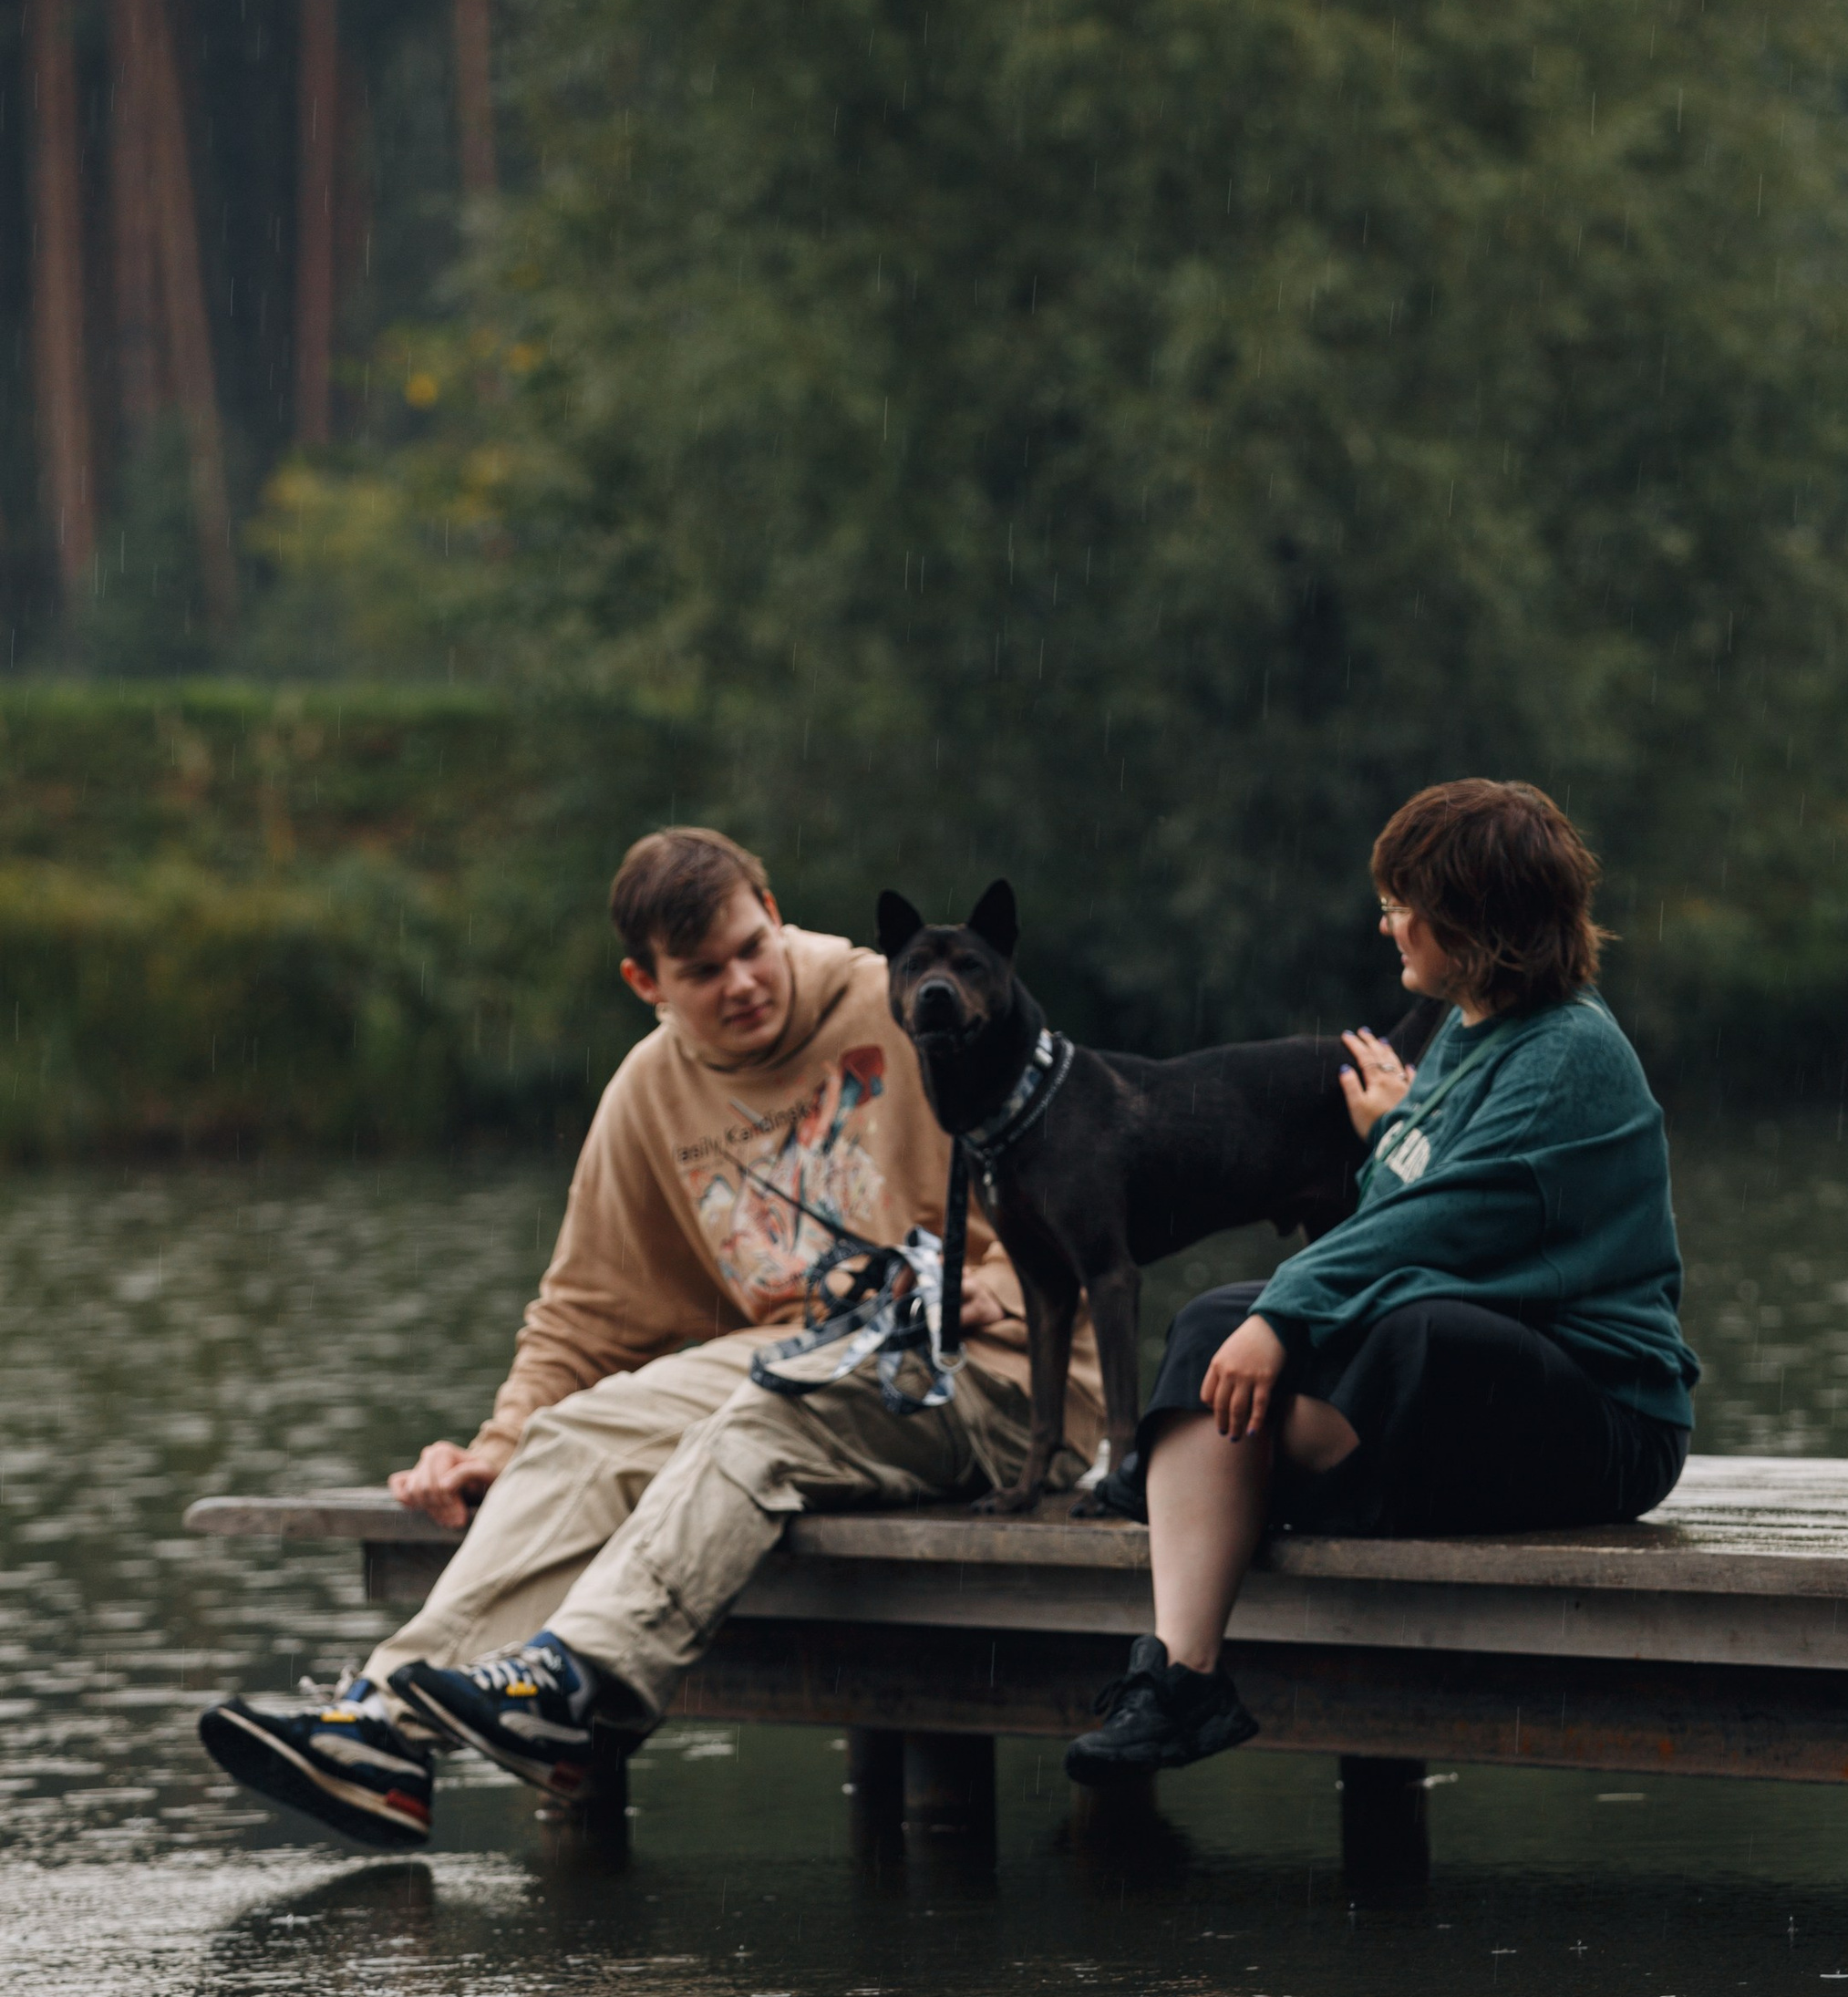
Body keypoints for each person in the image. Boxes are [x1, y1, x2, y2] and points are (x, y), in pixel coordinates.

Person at [201, 827, 1100, 1847]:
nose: (745, 983)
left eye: (753, 946)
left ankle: (578, 1684)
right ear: (645, 981)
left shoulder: (912, 998)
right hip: (809, 1359)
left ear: (772, 904)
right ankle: (383, 1733)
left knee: (771, 1406)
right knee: (579, 1432)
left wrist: (991, 1282)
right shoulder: (648, 1090)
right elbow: (585, 1314)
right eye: (705, 972)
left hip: (1002, 1379)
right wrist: (493, 1448)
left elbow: (1089, 1184)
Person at [1066, 778, 1696, 1782]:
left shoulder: (1571, 1053)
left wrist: (1287, 1311)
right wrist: (1396, 1134)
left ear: (1474, 923)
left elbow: (1435, 1223)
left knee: (1411, 1336)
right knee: (1210, 1317)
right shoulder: (1470, 1027)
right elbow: (1404, 1209)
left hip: (1607, 1417)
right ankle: (1181, 1681)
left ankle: (1220, 1469)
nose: (1387, 922)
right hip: (1479, 1385)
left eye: (1407, 902)